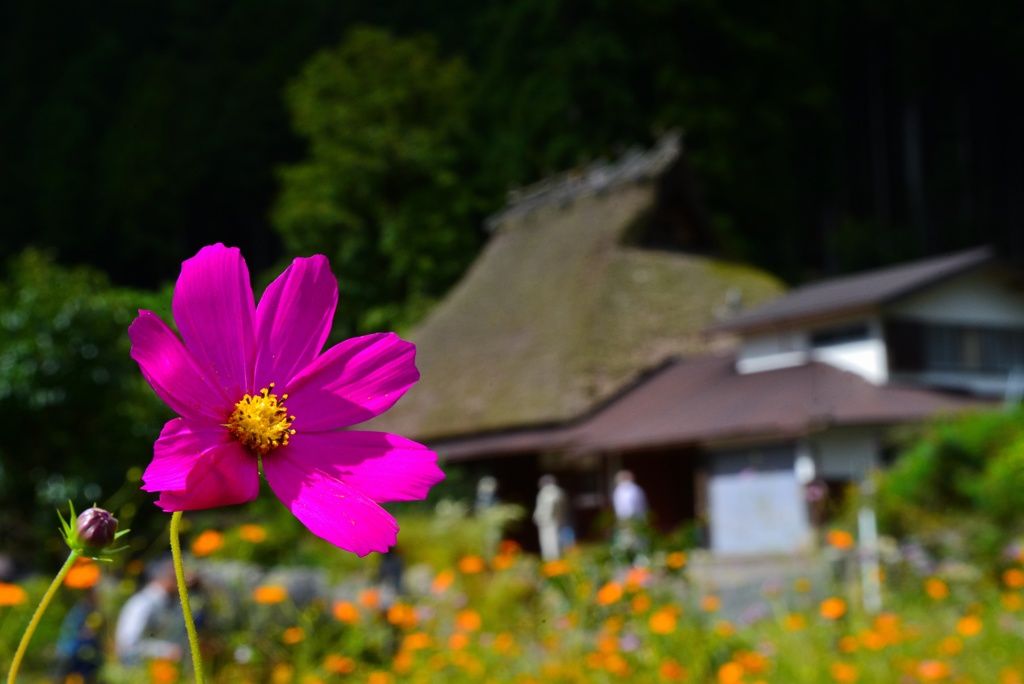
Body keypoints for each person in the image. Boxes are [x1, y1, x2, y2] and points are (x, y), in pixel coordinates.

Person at [115, 557, 190, 666]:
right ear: (163, 577)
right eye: (177, 576)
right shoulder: (141, 604)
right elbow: (128, 644)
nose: (185, 581)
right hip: (138, 673)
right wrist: (166, 651)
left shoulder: (174, 603)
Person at [612, 470, 649, 563]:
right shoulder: (630, 489)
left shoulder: (631, 490)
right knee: (630, 542)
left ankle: (634, 561)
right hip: (631, 520)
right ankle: (636, 561)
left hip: (631, 520)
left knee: (634, 541)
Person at [533, 475, 569, 561]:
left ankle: (552, 561)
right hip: (554, 520)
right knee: (554, 541)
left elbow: (548, 506)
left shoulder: (548, 492)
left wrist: (541, 516)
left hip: (548, 522)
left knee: (550, 542)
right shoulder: (559, 492)